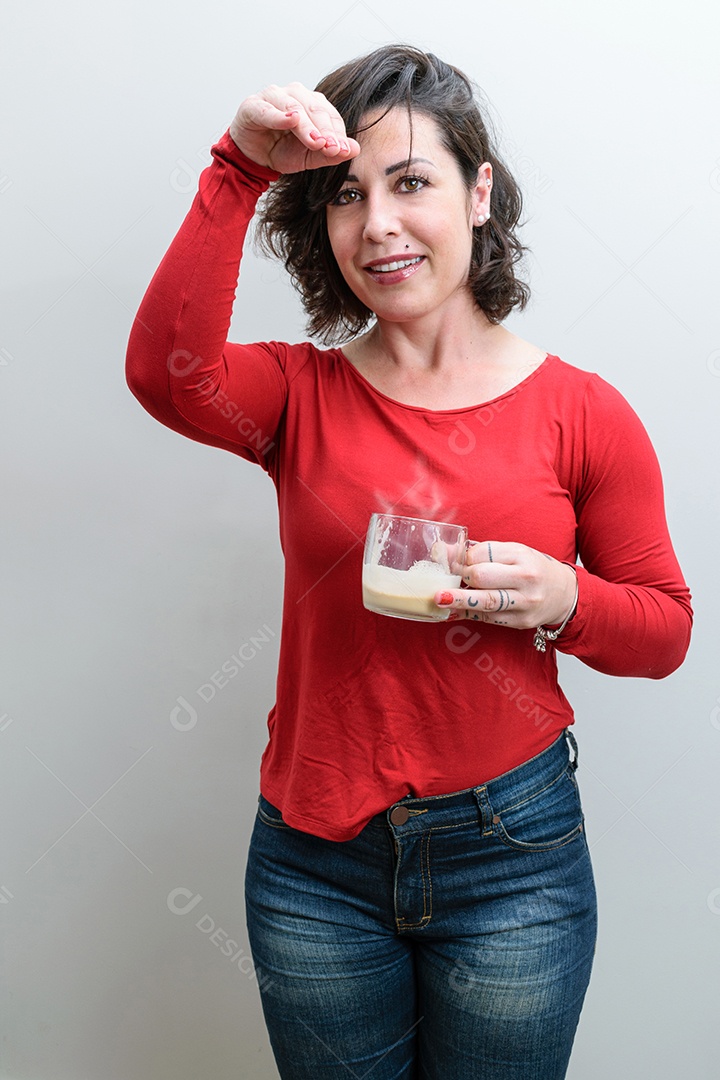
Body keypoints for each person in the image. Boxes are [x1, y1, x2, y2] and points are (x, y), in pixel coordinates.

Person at [126, 44, 692, 1080]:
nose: (378, 223)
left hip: (514, 857)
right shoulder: (299, 395)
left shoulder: (585, 412)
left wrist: (565, 599)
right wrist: (238, 169)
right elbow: (169, 374)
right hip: (313, 865)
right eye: (347, 194)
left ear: (478, 194)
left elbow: (665, 631)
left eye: (411, 182)